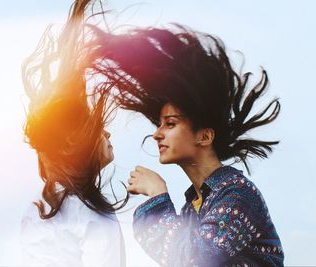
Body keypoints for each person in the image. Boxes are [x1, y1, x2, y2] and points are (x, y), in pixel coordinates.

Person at [89, 24, 284, 266]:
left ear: (204, 137)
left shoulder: (237, 194)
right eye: (159, 125)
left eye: (169, 124)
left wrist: (157, 195)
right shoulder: (193, 207)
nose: (157, 135)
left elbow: (195, 261)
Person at [20, 1, 127, 266]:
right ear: (82, 145)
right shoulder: (89, 211)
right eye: (100, 132)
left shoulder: (40, 206)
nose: (109, 136)